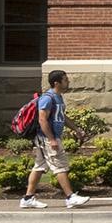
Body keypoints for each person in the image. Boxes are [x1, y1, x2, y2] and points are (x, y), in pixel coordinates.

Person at [19, 70, 88, 210]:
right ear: (57, 83)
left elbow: (62, 117)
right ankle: (70, 197)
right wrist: (52, 139)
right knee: (60, 166)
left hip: (50, 138)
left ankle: (28, 199)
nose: (68, 82)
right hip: (47, 139)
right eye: (65, 79)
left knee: (39, 167)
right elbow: (42, 119)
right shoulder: (47, 98)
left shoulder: (58, 98)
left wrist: (76, 129)